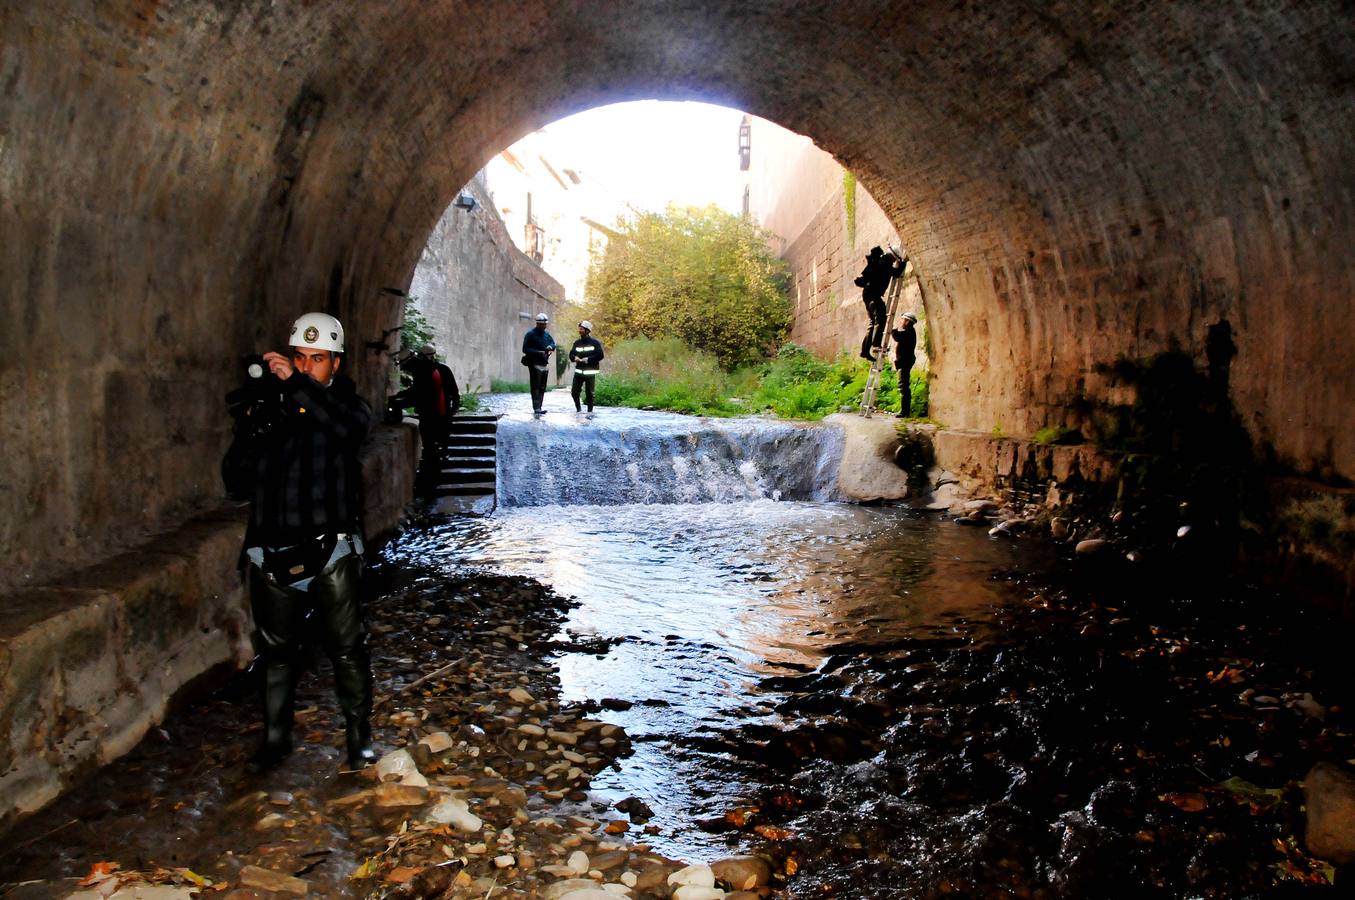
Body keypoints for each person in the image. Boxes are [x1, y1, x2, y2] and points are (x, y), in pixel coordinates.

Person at [222, 312, 376, 774]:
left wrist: (297, 389)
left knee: (348, 646)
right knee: (277, 650)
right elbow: (235, 481)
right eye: (300, 358)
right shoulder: (274, 407)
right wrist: (252, 424)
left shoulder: (347, 406)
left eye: (318, 359)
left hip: (331, 548)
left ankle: (358, 738)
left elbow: (347, 430)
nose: (307, 366)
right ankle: (275, 738)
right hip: (272, 548)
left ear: (336, 365)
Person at [390, 344, 459, 492]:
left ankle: (430, 481)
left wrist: (398, 399)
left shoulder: (424, 371)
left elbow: (418, 393)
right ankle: (433, 476)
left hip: (431, 415)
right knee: (436, 446)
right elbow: (453, 391)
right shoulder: (441, 369)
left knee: (430, 448)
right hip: (441, 414)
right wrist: (453, 409)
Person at [855, 246, 905, 359]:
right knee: (881, 319)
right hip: (873, 295)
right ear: (892, 257)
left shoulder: (880, 262)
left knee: (873, 322)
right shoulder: (885, 264)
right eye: (894, 260)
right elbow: (896, 273)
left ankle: (865, 351)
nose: (893, 262)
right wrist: (903, 263)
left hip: (868, 295)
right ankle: (876, 344)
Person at [567, 320, 605, 415]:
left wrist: (587, 359)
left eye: (582, 329)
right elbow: (571, 354)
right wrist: (574, 358)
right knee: (574, 392)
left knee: (590, 394)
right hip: (579, 372)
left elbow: (600, 355)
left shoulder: (595, 343)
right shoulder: (577, 343)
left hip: (590, 372)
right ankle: (579, 410)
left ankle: (590, 412)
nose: (579, 330)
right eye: (579, 329)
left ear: (587, 331)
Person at [522, 312, 556, 415]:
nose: (544, 326)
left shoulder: (547, 335)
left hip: (544, 363)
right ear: (537, 324)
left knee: (542, 387)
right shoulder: (530, 334)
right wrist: (538, 352)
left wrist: (551, 347)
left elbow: (553, 343)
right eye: (542, 324)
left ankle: (539, 407)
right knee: (535, 386)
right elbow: (525, 349)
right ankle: (536, 407)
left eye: (545, 324)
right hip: (534, 363)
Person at [891, 311, 919, 418]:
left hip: (905, 362)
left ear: (907, 321)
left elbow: (897, 336)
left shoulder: (909, 332)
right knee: (904, 386)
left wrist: (893, 330)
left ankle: (905, 412)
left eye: (903, 319)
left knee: (904, 387)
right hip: (905, 361)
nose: (901, 321)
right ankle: (904, 411)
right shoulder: (909, 331)